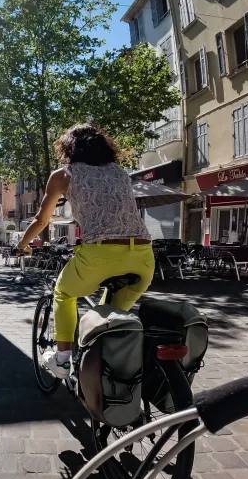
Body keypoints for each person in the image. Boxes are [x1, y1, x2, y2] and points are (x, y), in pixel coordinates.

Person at [16, 123, 154, 379]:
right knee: (109, 318)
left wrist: (22, 245)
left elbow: (41, 220)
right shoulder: (121, 173)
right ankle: (108, 370)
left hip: (100, 254)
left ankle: (63, 361)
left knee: (64, 293)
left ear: (68, 148)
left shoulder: (63, 175)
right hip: (144, 257)